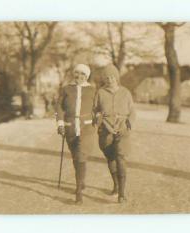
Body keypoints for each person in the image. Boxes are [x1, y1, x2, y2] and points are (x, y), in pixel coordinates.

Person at [93, 64, 135, 203]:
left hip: (122, 129)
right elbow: (95, 111)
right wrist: (98, 119)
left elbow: (132, 111)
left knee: (121, 158)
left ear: (116, 77)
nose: (109, 79)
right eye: (106, 77)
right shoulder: (100, 92)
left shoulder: (125, 92)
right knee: (110, 158)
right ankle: (116, 186)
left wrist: (129, 123)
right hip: (105, 130)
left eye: (112, 76)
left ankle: (122, 194)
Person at [56, 64, 96, 205]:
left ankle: (78, 191)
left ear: (87, 76)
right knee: (75, 157)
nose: (79, 76)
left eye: (83, 74)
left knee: (81, 156)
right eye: (77, 73)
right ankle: (81, 181)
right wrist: (60, 124)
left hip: (87, 128)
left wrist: (97, 121)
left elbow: (98, 108)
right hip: (70, 127)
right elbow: (60, 107)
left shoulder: (92, 90)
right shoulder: (67, 89)